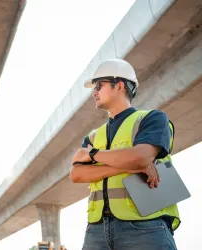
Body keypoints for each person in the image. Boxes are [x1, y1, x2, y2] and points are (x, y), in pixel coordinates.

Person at [69, 59, 180, 250]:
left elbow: (141, 157)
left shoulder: (151, 119)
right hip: (97, 229)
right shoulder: (94, 135)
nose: (94, 91)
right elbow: (77, 174)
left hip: (146, 225)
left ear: (119, 85)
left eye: (99, 85)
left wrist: (93, 154)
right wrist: (130, 164)